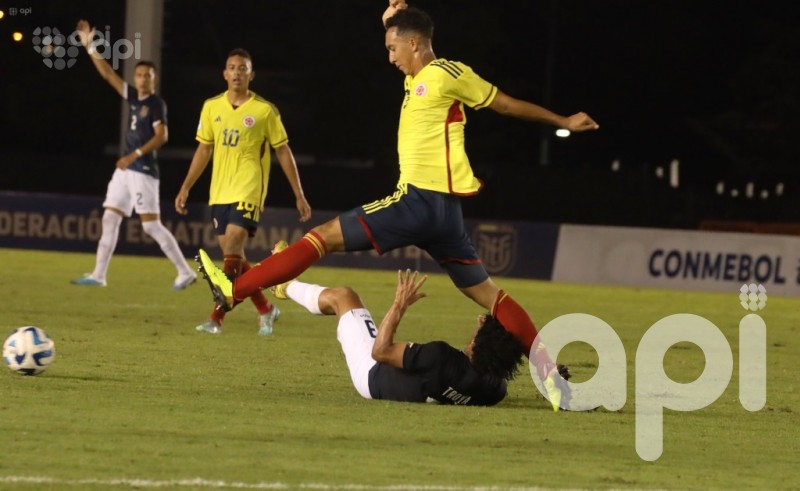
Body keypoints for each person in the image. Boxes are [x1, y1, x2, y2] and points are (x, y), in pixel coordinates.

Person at [197, 4, 595, 409]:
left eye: (393, 48)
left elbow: (504, 104)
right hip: (446, 218)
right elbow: (405, 28)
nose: (390, 58)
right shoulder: (416, 77)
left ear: (415, 44)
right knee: (492, 297)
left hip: (417, 202)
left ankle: (234, 291)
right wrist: (393, 15)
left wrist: (561, 118)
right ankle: (552, 380)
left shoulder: (448, 74)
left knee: (321, 237)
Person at [175, 49, 311, 336]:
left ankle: (216, 318)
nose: (236, 73)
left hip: (248, 188)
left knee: (232, 250)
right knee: (233, 256)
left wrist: (298, 193)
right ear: (224, 73)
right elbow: (204, 149)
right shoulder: (211, 107)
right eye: (231, 68)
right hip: (219, 191)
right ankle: (266, 308)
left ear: (251, 74)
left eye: (242, 68)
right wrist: (186, 186)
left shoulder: (264, 110)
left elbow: (283, 151)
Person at [278, 266, 534, 405]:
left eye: (482, 324)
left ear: (479, 343)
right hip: (405, 387)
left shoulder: (440, 358)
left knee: (344, 297)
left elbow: (379, 352)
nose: (479, 319)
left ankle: (285, 283)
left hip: (371, 374)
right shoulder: (495, 389)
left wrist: (399, 304)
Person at [71, 19, 196, 290]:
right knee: (110, 217)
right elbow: (108, 75)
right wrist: (90, 46)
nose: (142, 79)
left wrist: (134, 154)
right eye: (139, 75)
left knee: (151, 226)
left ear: (155, 79)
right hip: (125, 171)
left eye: (147, 76)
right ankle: (99, 275)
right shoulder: (133, 97)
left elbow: (163, 136)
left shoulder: (155, 104)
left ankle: (185, 271)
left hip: (142, 171)